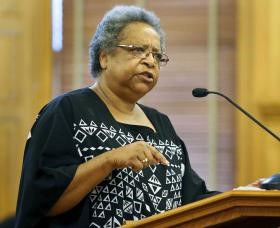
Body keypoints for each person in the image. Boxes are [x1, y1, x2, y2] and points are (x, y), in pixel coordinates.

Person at [15, 5, 220, 228]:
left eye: (157, 55)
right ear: (104, 57)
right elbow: (41, 199)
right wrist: (110, 160)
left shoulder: (161, 124)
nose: (150, 61)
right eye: (137, 50)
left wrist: (247, 194)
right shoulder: (67, 111)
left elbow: (193, 199)